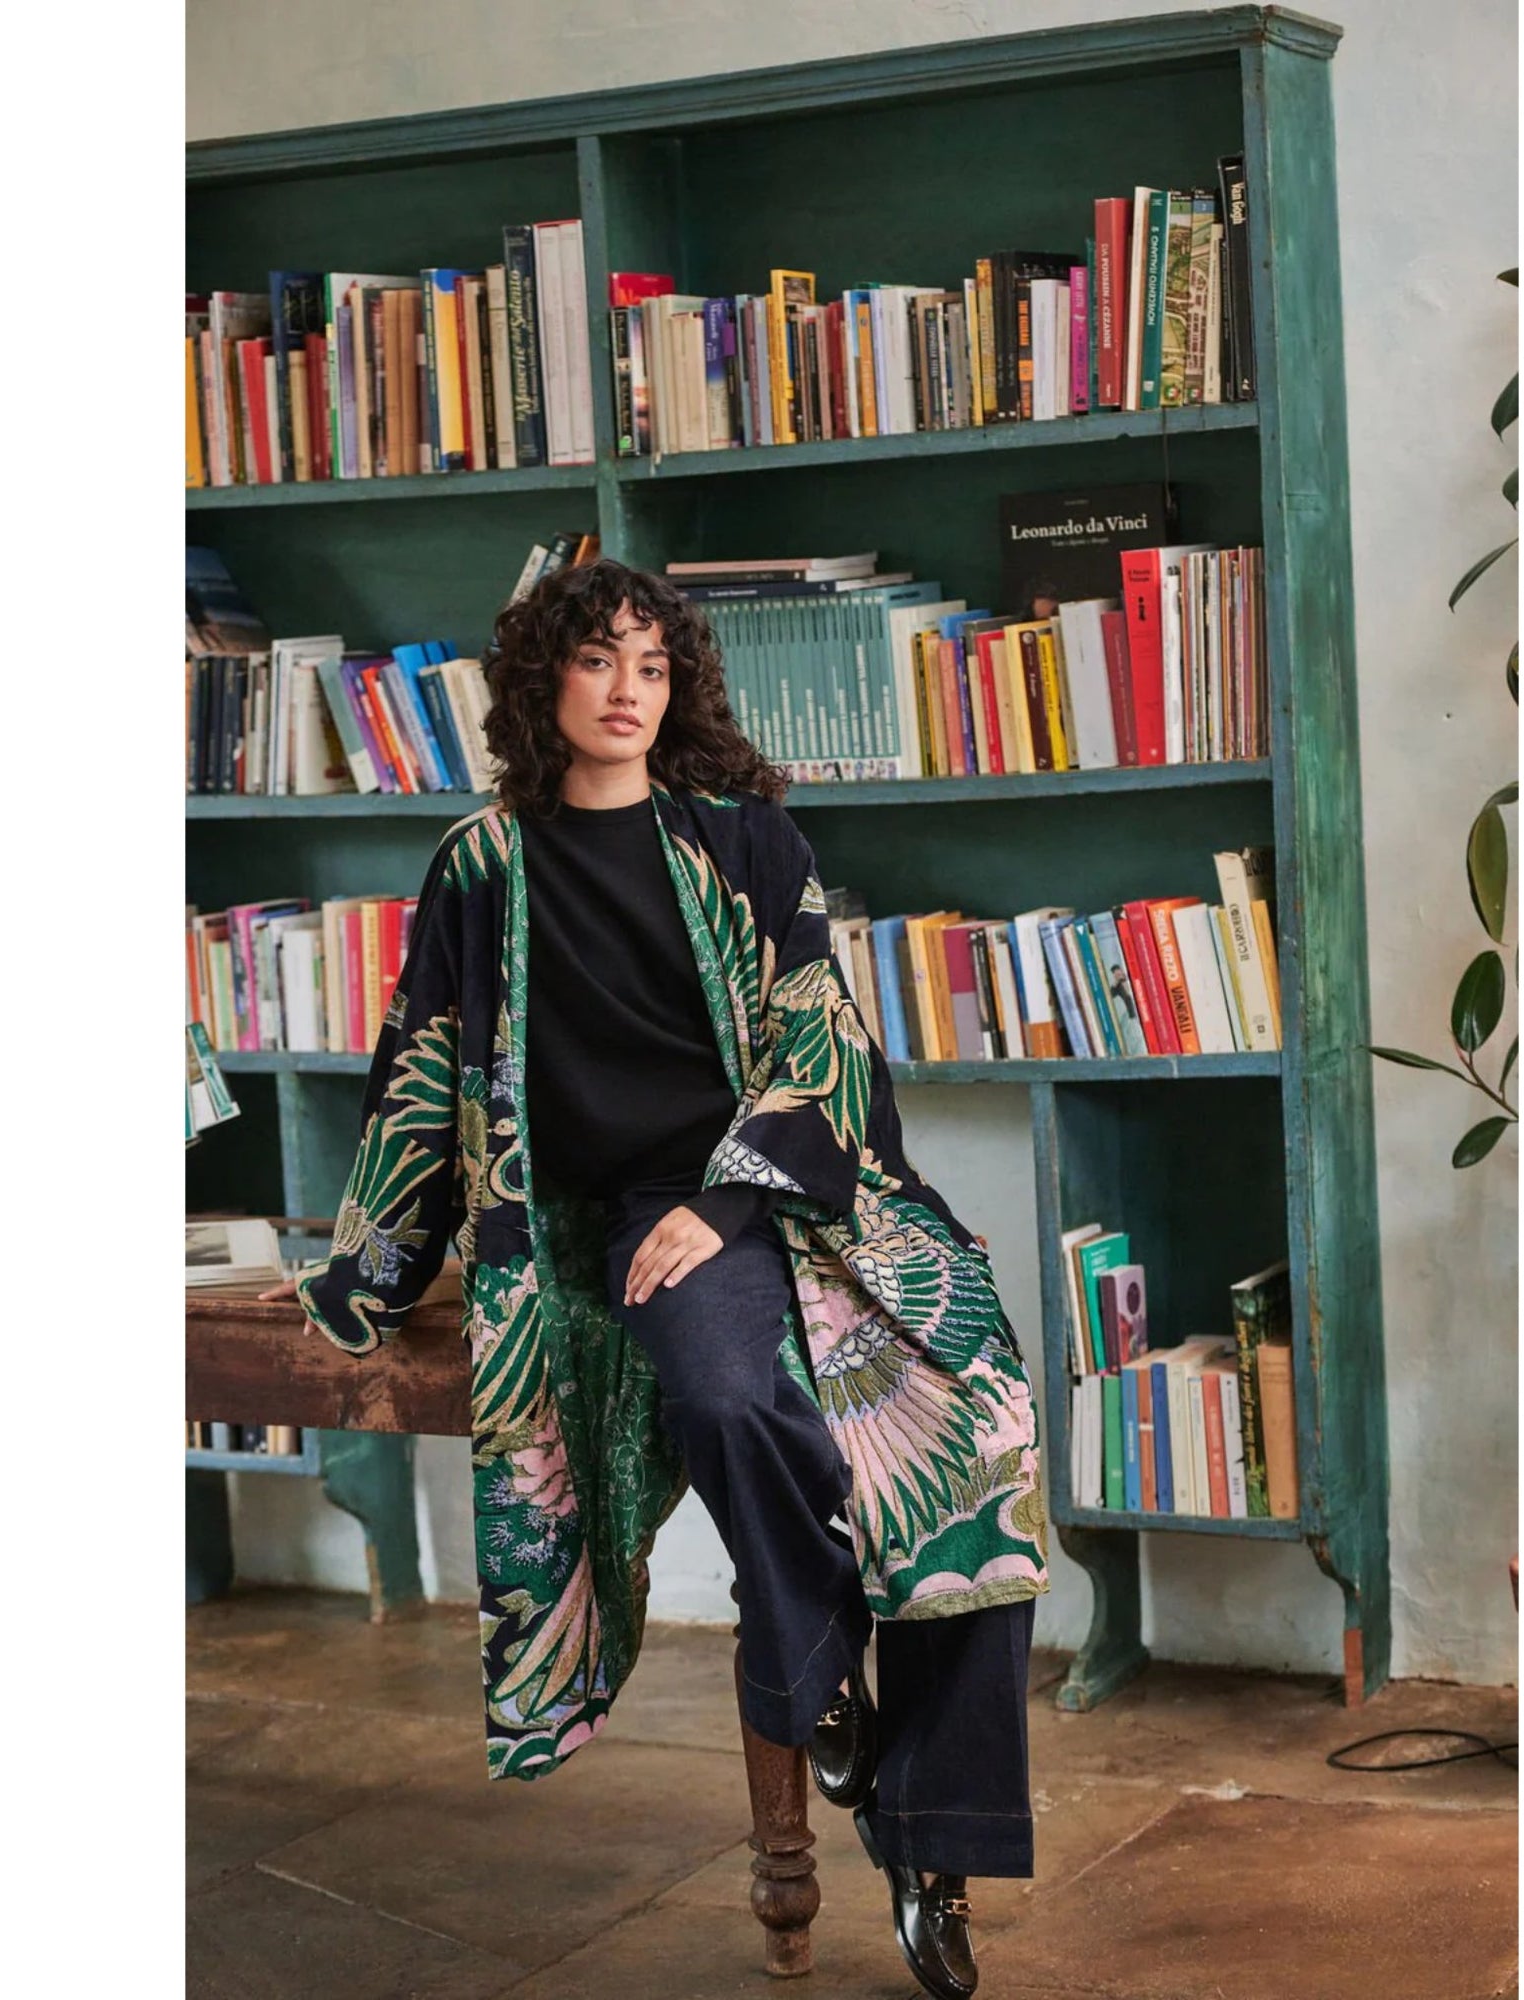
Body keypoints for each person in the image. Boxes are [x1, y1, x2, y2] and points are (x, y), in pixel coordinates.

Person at [279, 559, 1048, 1999]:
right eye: (596, 661)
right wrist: (360, 1283)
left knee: (974, 1431)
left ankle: (933, 1849)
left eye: (650, 663)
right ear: (542, 685)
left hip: (782, 1187)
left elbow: (819, 1042)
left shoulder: (746, 841)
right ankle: (823, 1686)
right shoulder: (483, 866)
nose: (628, 688)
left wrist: (726, 1197)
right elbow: (423, 1070)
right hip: (629, 1216)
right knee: (719, 1388)